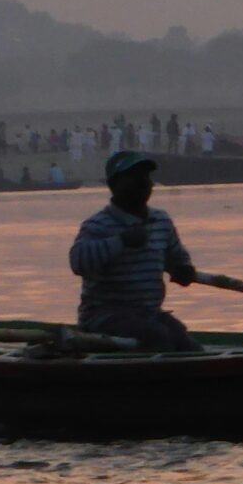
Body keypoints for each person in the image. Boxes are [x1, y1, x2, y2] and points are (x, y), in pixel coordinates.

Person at [67, 150, 200, 351]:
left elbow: (176, 257)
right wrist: (121, 242)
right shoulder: (98, 225)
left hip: (149, 313)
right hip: (104, 317)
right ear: (114, 185)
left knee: (187, 346)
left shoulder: (161, 221)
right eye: (133, 177)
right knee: (157, 336)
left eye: (145, 177)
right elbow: (78, 262)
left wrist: (183, 269)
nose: (143, 183)